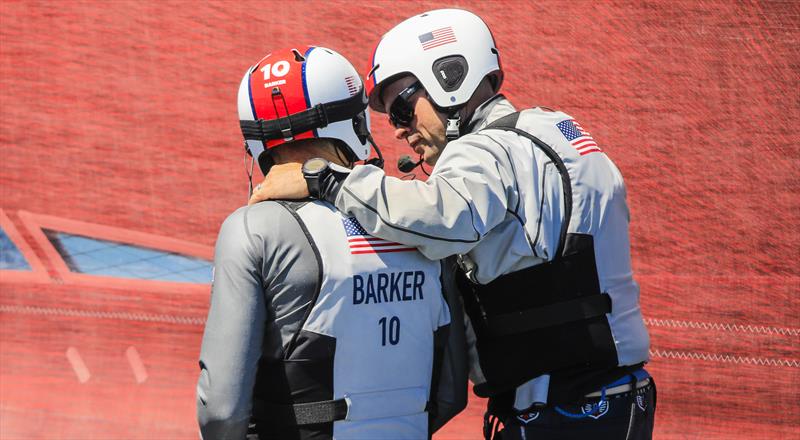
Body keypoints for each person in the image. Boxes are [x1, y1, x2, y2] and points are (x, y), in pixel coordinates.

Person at [250, 9, 656, 440]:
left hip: (566, 410)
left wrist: (324, 178)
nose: (401, 132)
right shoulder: (554, 129)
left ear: (449, 76)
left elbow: (439, 217)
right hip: (610, 399)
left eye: (403, 110)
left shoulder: (487, 149)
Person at [196, 46, 467, 440]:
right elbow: (450, 393)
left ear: (256, 142)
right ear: (356, 125)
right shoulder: (420, 218)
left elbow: (220, 411)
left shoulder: (252, 229)